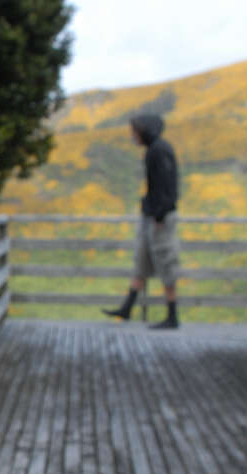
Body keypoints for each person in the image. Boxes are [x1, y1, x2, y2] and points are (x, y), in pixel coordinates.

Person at [103, 113, 180, 329]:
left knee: (165, 261)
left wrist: (159, 214)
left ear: (145, 130)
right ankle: (127, 308)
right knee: (142, 259)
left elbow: (166, 186)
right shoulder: (153, 151)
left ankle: (172, 316)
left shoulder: (159, 150)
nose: (133, 136)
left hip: (159, 218)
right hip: (151, 215)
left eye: (135, 132)